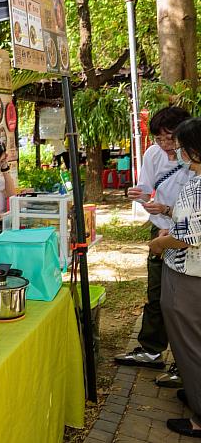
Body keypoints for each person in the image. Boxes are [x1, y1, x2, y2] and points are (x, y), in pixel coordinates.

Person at [115, 107, 192, 389]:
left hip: (186, 234)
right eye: (159, 139)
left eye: (170, 138)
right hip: (160, 229)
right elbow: (147, 189)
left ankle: (185, 364)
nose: (165, 145)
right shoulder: (153, 154)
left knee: (186, 301)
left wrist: (170, 218)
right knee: (158, 292)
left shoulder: (193, 157)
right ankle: (151, 349)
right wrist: (140, 196)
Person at [148, 117, 201, 438]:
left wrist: (159, 243)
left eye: (180, 146)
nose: (175, 151)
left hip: (187, 274)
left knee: (191, 343)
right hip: (186, 271)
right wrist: (168, 212)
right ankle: (194, 391)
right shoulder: (194, 179)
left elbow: (188, 237)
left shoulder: (199, 184)